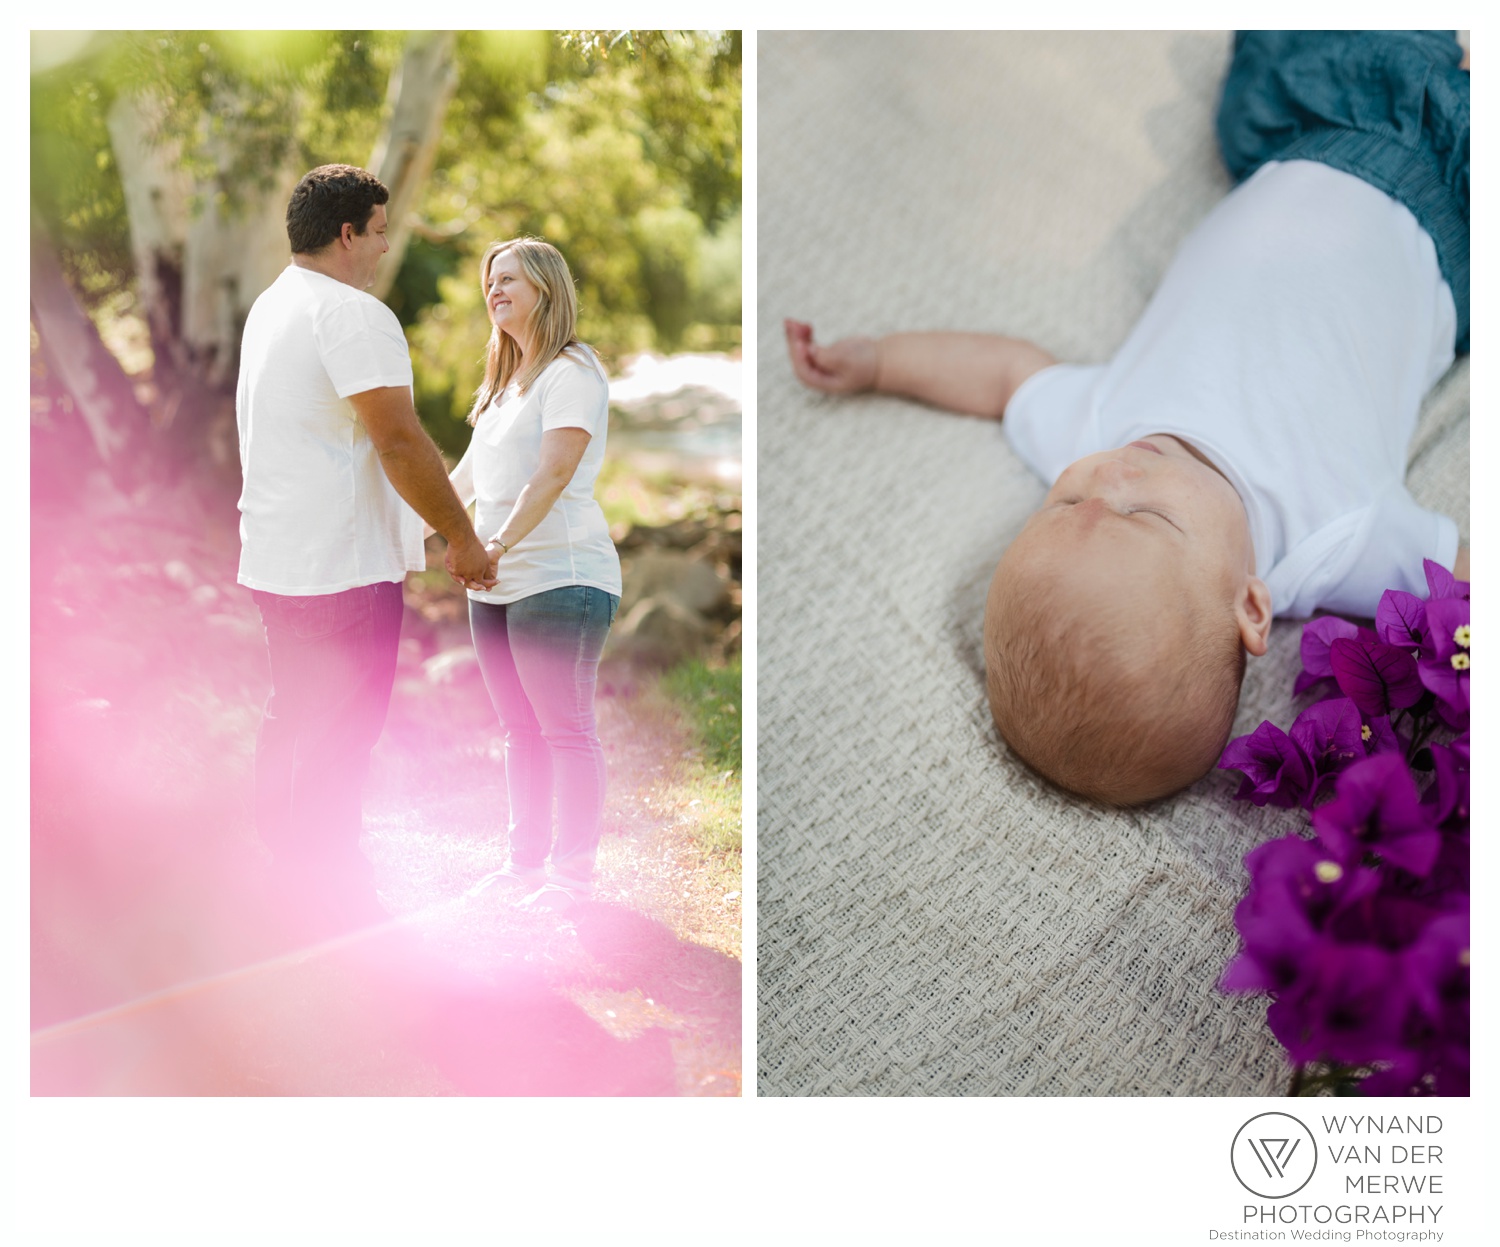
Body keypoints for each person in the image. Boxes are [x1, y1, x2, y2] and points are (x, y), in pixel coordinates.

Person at [785, 31, 1470, 806]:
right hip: (1446, 200)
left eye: (1065, 501)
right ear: (1250, 603)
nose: (1113, 473)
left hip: (1295, 135)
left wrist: (881, 361)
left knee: (1283, 60)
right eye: (1145, 516)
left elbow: (1005, 372)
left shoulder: (1094, 432)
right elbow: (1466, 575)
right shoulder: (1334, 542)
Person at [236, 163, 497, 927]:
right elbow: (400, 441)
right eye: (379, 233)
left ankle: (287, 878)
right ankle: (332, 899)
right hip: (341, 571)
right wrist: (463, 538)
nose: (384, 249)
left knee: (294, 716)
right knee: (342, 732)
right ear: (348, 233)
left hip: (277, 560)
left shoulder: (270, 306)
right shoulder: (351, 314)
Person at [450, 238, 622, 912]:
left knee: (565, 730)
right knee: (519, 730)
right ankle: (523, 867)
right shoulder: (502, 386)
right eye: (489, 281)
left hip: (559, 576)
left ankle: (571, 878)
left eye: (509, 279)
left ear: (545, 290)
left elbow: (554, 472)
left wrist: (491, 544)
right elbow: (463, 479)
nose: (494, 290)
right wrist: (403, 531)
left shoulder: (572, 371)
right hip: (493, 582)